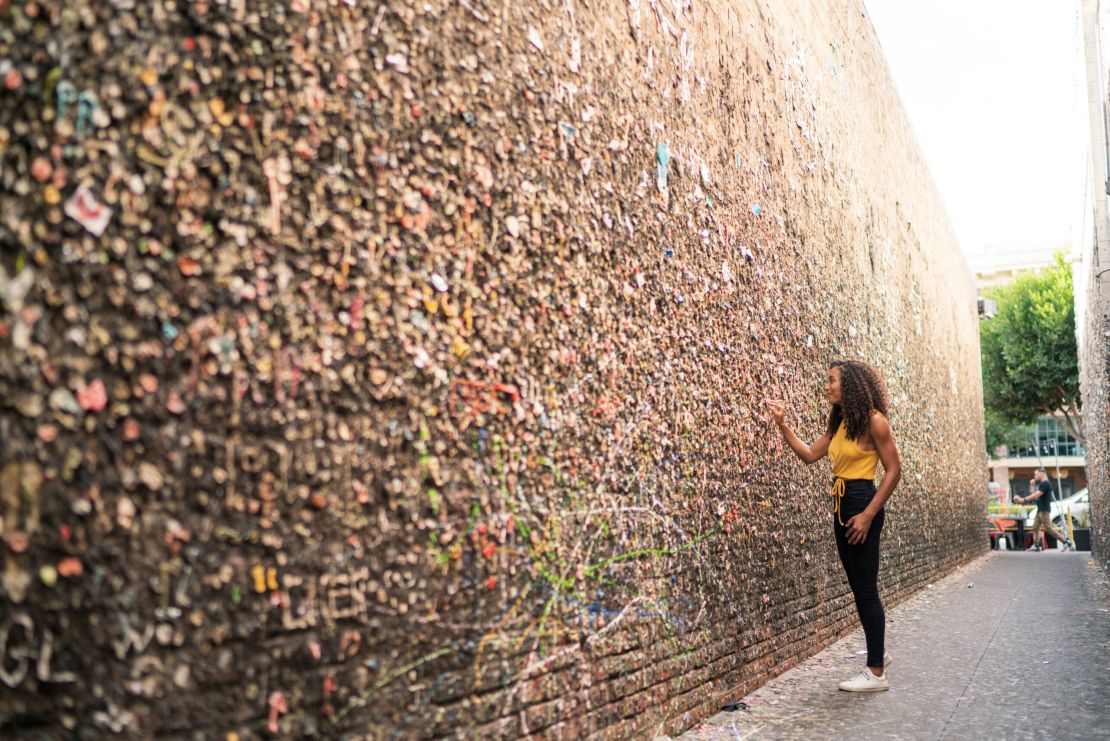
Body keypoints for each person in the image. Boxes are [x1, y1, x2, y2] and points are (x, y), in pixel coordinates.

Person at [764, 360, 901, 692]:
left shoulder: (874, 422)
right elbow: (810, 455)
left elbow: (894, 471)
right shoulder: (841, 423)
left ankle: (876, 673)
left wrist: (868, 514)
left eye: (832, 381)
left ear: (849, 384)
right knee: (857, 585)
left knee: (866, 588)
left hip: (860, 503)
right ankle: (876, 649)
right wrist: (783, 425)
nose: (827, 386)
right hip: (841, 503)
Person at [1016, 468, 1072, 551]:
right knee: (1035, 527)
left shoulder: (1046, 483)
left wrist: (1024, 500)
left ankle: (1066, 542)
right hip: (1040, 509)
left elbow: (1037, 495)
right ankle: (1036, 546)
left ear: (1042, 473)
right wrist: (1032, 485)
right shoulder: (1041, 484)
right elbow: (1034, 494)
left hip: (1044, 510)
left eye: (1036, 474)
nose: (1035, 476)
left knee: (1048, 528)